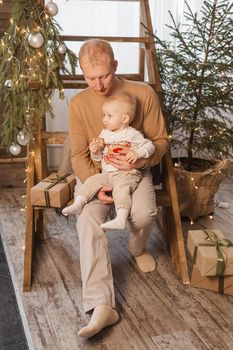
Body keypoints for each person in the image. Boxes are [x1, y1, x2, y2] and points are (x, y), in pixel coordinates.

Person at [67, 39, 169, 338]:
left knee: (143, 215)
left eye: (103, 75)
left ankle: (137, 247)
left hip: (134, 174)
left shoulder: (143, 93)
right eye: (89, 78)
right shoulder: (78, 104)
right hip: (97, 175)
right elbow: (78, 156)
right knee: (87, 220)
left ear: (115, 65)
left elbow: (160, 140)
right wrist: (92, 186)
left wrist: (140, 160)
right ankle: (102, 306)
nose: (98, 85)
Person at [62, 93, 155, 230]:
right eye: (104, 115)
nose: (104, 119)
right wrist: (96, 151)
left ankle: (120, 218)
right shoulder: (105, 134)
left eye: (109, 116)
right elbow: (100, 158)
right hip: (107, 174)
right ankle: (79, 204)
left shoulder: (132, 134)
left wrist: (137, 153)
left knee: (121, 190)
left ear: (124, 118)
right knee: (91, 182)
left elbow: (150, 146)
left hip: (126, 174)